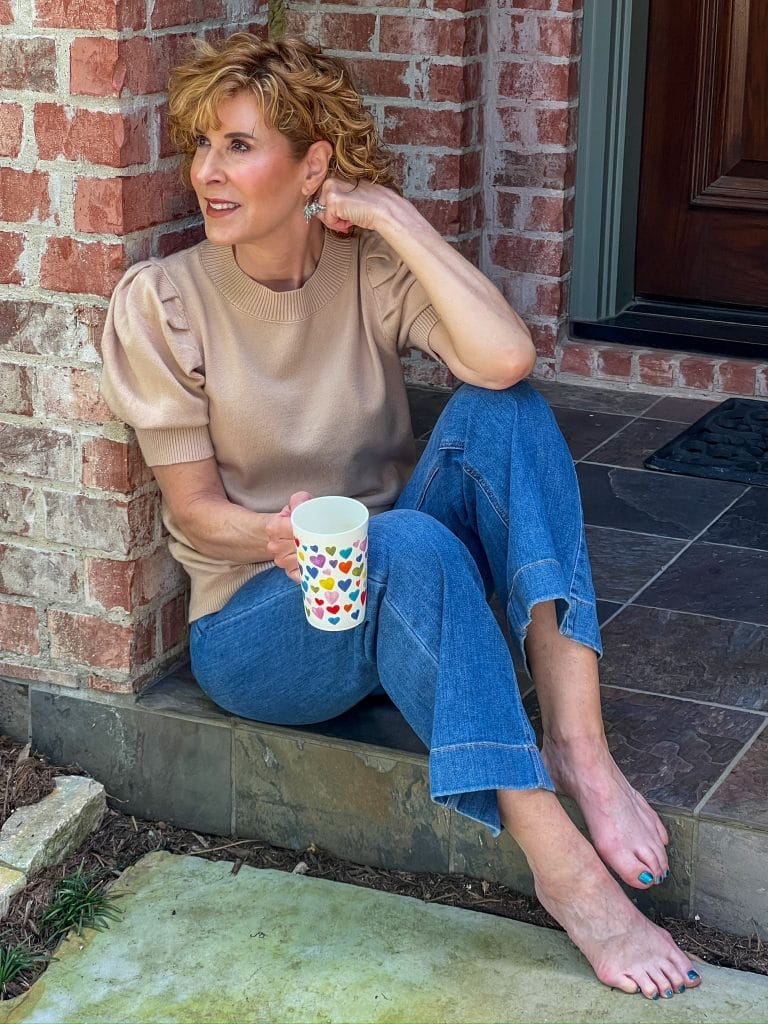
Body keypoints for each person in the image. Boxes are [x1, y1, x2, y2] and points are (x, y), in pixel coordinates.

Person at [99, 32, 702, 1000]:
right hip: (263, 627)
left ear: (314, 165)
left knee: (506, 410)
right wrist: (271, 539)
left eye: (238, 146)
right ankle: (567, 870)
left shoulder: (369, 271)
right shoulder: (161, 300)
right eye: (199, 145)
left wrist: (389, 216)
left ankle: (581, 748)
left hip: (396, 572)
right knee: (408, 537)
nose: (206, 172)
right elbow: (198, 514)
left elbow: (504, 360)